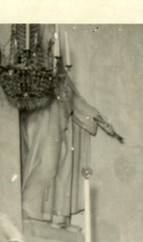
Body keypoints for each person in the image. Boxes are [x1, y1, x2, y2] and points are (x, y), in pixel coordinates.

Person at [21, 73, 123, 224]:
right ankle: (28, 205)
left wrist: (98, 118)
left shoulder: (58, 70)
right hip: (44, 121)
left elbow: (74, 100)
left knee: (57, 163)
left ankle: (38, 209)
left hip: (57, 124)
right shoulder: (37, 66)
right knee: (46, 163)